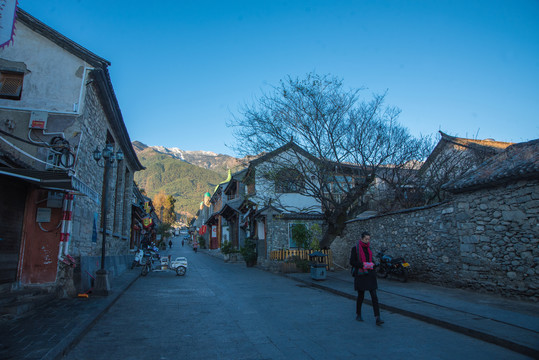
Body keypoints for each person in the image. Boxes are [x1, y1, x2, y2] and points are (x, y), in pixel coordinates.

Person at [350, 231, 384, 325]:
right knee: (361, 296)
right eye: (366, 239)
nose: (367, 241)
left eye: (368, 239)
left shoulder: (369, 248)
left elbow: (371, 259)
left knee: (374, 296)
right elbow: (352, 262)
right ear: (361, 238)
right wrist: (362, 264)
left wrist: (373, 264)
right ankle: (358, 314)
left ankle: (378, 317)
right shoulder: (355, 249)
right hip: (361, 274)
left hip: (370, 274)